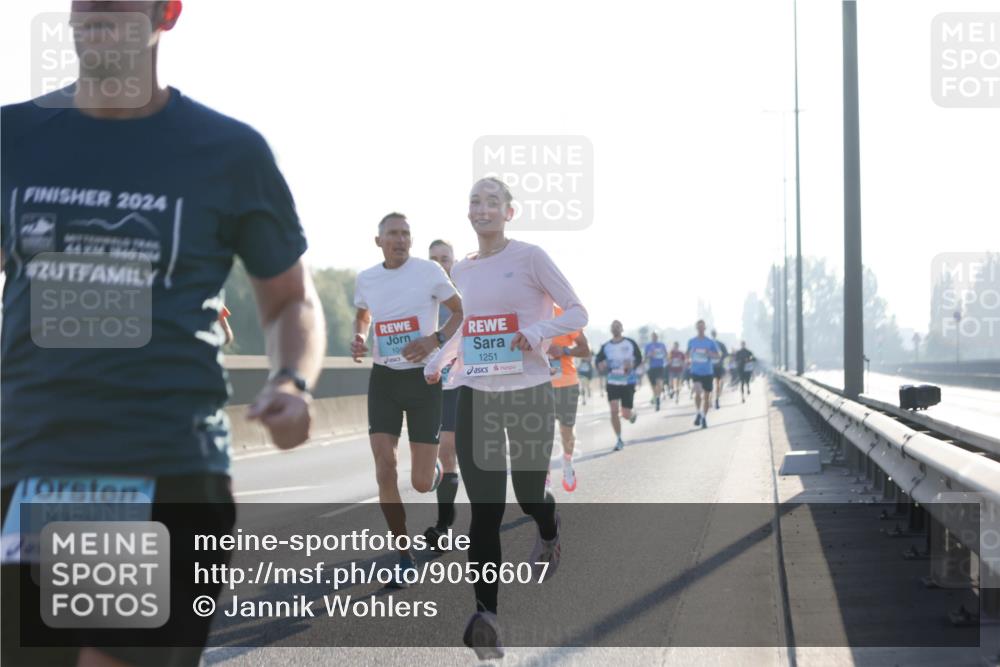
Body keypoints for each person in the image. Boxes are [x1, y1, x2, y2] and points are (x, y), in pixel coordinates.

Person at [1, 3, 326, 665]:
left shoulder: (227, 152)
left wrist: (291, 381)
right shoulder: (12, 136)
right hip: (25, 464)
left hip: (162, 465)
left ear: (166, 12)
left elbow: (290, 298)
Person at [424, 178, 587, 659]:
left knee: (529, 492)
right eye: (475, 200)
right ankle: (486, 616)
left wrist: (537, 330)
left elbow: (577, 312)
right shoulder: (467, 271)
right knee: (486, 513)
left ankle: (549, 525)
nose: (482, 208)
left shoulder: (531, 257)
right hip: (479, 396)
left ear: (508, 213)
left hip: (530, 394)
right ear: (468, 212)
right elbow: (471, 328)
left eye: (492, 201)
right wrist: (439, 359)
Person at [352, 214, 463, 584]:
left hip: (423, 381)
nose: (400, 239)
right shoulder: (367, 278)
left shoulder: (429, 272)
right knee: (384, 467)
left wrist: (434, 340)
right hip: (384, 379)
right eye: (393, 234)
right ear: (378, 240)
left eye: (405, 234)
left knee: (418, 482)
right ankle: (403, 554)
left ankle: (431, 474)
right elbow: (363, 314)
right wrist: (359, 336)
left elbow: (461, 312)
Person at [424, 239, 462, 550]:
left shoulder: (465, 293)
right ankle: (445, 521)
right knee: (437, 457)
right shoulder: (420, 293)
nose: (440, 263)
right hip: (427, 385)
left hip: (461, 382)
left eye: (445, 258)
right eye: (433, 258)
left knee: (448, 451)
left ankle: (443, 526)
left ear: (454, 260)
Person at [547, 306, 590, 492]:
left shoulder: (563, 315)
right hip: (538, 384)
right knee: (540, 433)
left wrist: (564, 351)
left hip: (565, 383)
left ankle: (567, 463)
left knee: (566, 431)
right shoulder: (525, 310)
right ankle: (544, 475)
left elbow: (585, 349)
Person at [595, 321, 642, 451]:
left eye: (618, 326)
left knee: (625, 414)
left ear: (622, 329)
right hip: (612, 383)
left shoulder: (630, 343)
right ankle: (619, 439)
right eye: (613, 326)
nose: (615, 328)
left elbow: (639, 358)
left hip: (628, 382)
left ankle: (632, 415)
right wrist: (600, 365)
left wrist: (632, 365)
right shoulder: (606, 346)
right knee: (614, 410)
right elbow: (598, 360)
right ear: (611, 330)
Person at [687, 320, 721, 429]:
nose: (700, 329)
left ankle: (703, 417)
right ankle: (698, 412)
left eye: (702, 327)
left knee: (706, 398)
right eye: (698, 327)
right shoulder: (692, 341)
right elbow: (686, 354)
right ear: (696, 328)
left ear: (705, 328)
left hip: (708, 372)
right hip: (696, 371)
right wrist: (688, 357)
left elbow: (718, 355)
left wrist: (710, 353)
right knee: (698, 393)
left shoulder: (710, 342)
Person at [644, 332, 668, 411]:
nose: (655, 337)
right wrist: (650, 355)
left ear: (658, 337)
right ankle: (656, 397)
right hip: (651, 368)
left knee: (660, 384)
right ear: (651, 337)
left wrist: (664, 356)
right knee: (654, 386)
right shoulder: (648, 346)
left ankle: (657, 400)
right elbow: (645, 358)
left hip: (660, 367)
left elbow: (666, 355)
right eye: (653, 336)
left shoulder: (661, 345)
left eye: (656, 336)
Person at [710, 328, 729, 410]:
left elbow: (726, 354)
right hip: (714, 367)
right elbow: (726, 354)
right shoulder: (712, 343)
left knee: (715, 384)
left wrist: (720, 358)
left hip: (715, 366)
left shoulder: (717, 344)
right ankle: (714, 400)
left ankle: (714, 400)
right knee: (715, 384)